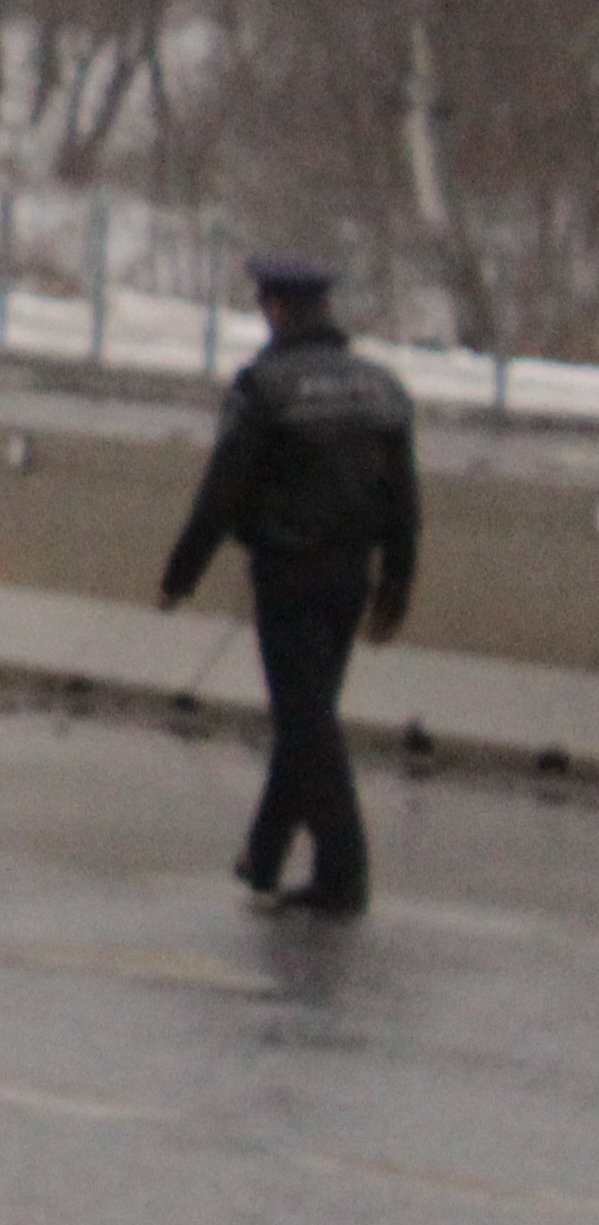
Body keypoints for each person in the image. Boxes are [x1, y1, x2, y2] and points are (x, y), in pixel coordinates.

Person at [159, 251, 420, 917]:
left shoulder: (264, 388)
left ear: (275, 310)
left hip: (289, 573)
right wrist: (396, 580)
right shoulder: (382, 388)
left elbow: (222, 491)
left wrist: (181, 575)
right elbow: (403, 497)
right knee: (309, 716)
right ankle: (266, 855)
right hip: (351, 575)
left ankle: (343, 874)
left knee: (305, 722)